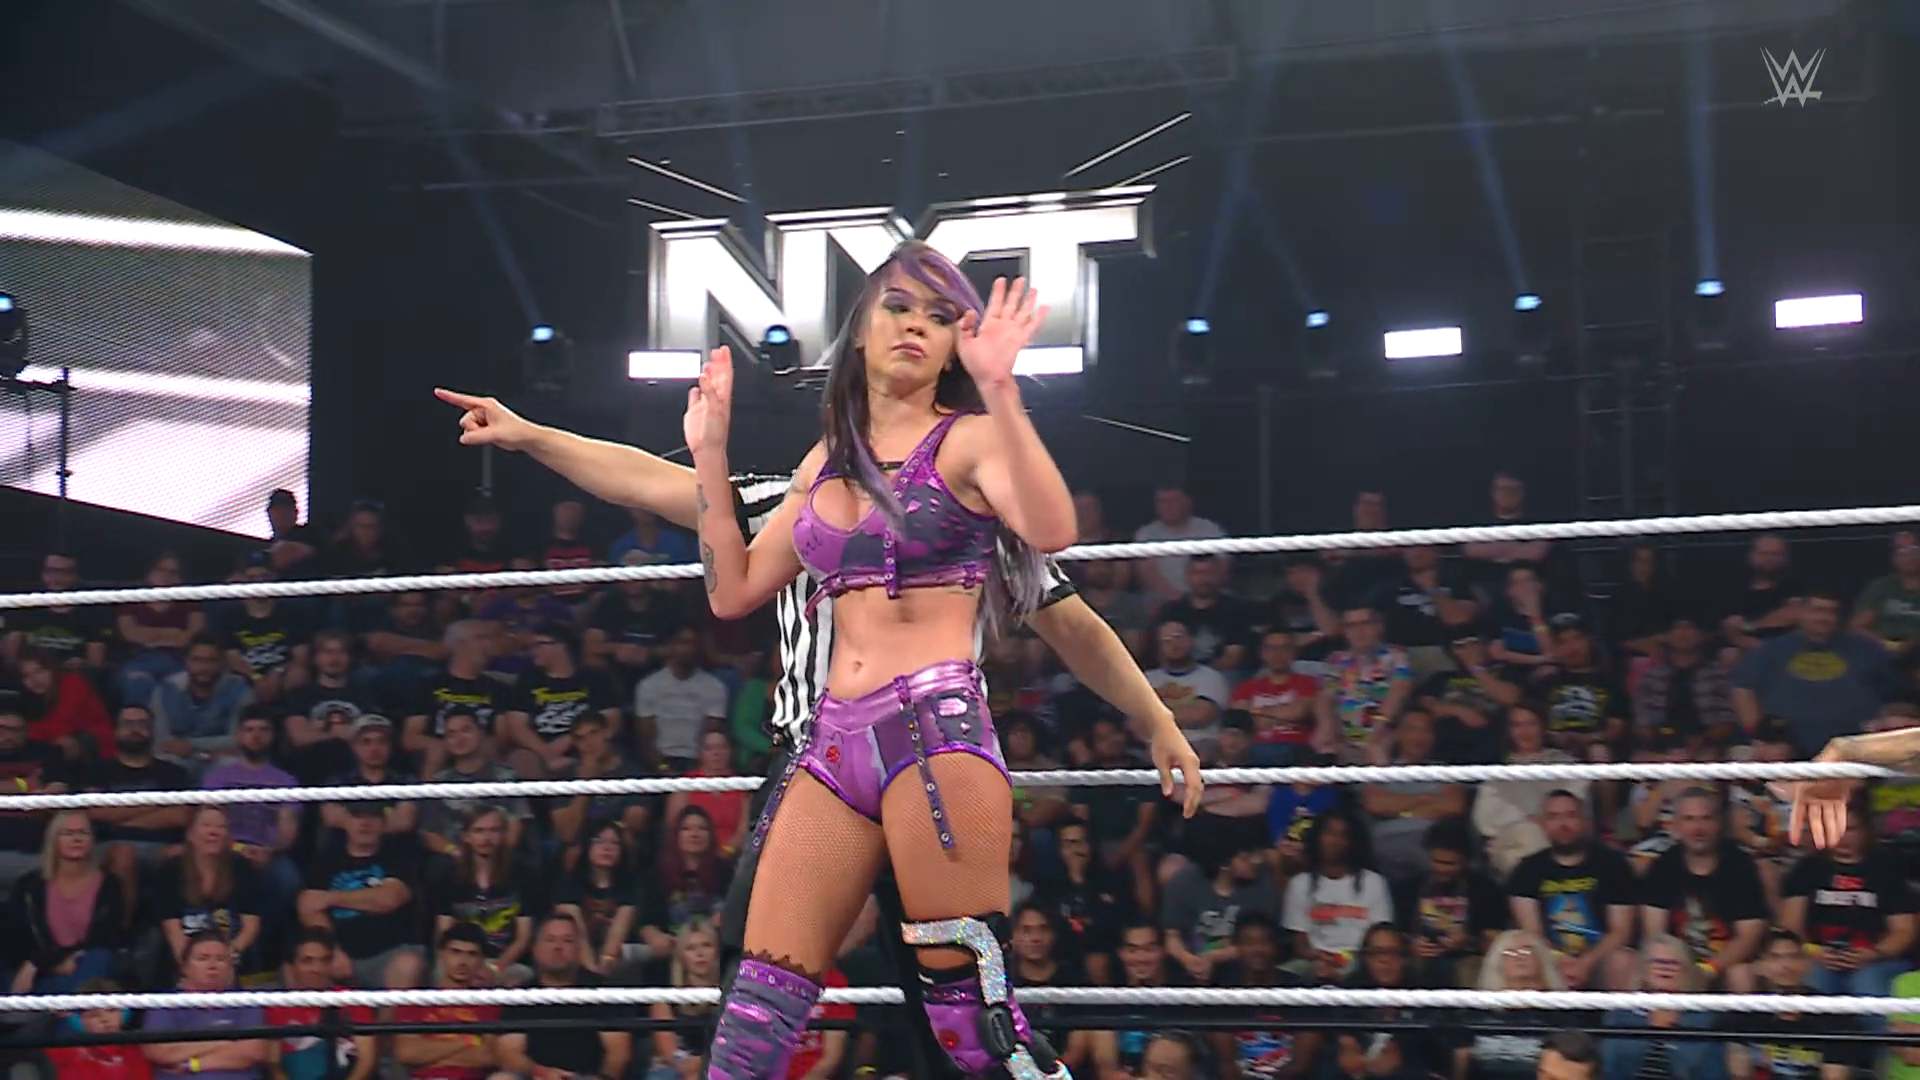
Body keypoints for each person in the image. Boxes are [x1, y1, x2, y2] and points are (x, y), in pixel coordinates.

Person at [437, 245, 1203, 1080]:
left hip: (934, 737)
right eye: (898, 307)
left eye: (939, 316)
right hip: (824, 748)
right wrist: (699, 450)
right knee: (752, 1022)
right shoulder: (815, 470)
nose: (915, 326)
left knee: (970, 1025)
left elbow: (1060, 557)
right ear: (859, 332)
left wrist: (1157, 718)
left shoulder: (974, 452)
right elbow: (725, 582)